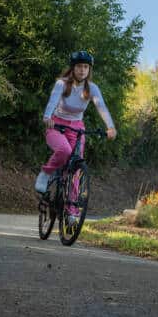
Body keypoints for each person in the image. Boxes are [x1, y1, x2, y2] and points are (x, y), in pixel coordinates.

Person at [36, 51, 117, 224]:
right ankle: (46, 173)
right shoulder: (62, 84)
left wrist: (110, 126)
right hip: (56, 125)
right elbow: (52, 101)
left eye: (86, 67)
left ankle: (71, 210)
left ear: (89, 70)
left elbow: (101, 107)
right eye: (79, 66)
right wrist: (47, 117)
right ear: (73, 68)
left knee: (76, 168)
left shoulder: (92, 88)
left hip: (77, 129)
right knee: (64, 150)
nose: (82, 70)